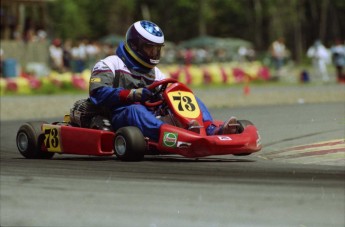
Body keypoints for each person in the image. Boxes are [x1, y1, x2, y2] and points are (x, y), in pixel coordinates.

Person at [73, 20, 237, 141]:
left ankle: (211, 131)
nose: (153, 53)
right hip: (117, 114)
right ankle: (175, 137)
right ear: (135, 46)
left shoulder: (156, 73)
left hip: (151, 114)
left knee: (190, 98)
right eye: (149, 48)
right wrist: (133, 95)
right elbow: (98, 93)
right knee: (134, 110)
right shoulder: (111, 63)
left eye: (156, 49)